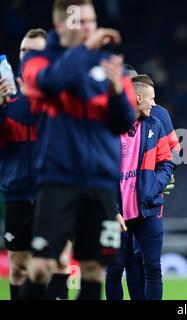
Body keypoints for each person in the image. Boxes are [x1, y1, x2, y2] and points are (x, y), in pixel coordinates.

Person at [20, 0, 136, 300]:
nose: (88, 27)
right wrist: (85, 52)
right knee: (42, 267)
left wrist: (116, 93)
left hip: (100, 184)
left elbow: (123, 121)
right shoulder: (37, 61)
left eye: (92, 20)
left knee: (94, 269)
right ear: (61, 25)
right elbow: (50, 83)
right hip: (58, 181)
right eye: (80, 21)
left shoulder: (111, 64)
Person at [1, 28, 72, 300]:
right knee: (19, 268)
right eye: (24, 51)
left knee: (59, 263)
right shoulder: (5, 97)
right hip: (18, 193)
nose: (28, 56)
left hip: (55, 193)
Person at [106, 74, 177, 300]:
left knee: (153, 269)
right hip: (114, 215)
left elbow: (167, 161)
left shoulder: (155, 125)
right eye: (151, 99)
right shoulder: (108, 127)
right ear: (137, 98)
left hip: (148, 210)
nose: (154, 104)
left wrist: (155, 185)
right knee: (114, 270)